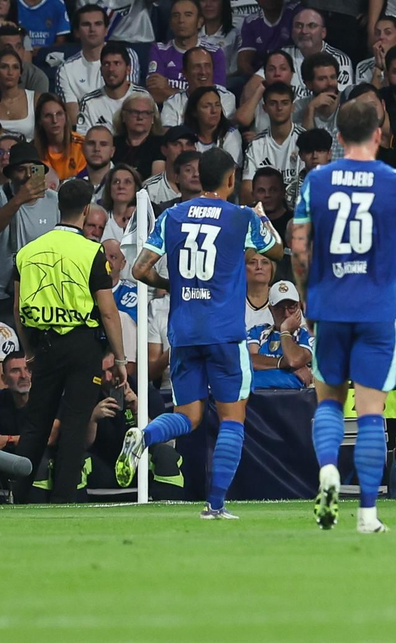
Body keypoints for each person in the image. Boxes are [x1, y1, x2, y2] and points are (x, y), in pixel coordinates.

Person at [292, 99, 396, 534]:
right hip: (377, 307)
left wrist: (306, 299)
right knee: (372, 411)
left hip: (330, 305)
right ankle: (368, 515)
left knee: (330, 403)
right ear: (378, 135)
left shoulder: (317, 181)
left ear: (337, 138)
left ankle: (329, 474)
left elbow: (298, 249)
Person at [119, 149, 282, 518]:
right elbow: (276, 250)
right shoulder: (240, 217)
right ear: (229, 180)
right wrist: (261, 216)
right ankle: (215, 506)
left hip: (184, 332)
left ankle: (144, 435)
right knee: (232, 418)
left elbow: (141, 270)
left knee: (188, 417)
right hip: (225, 333)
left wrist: (171, 285)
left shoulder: (172, 215)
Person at [10, 178, 125, 503]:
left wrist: (29, 349)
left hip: (44, 344)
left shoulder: (27, 252)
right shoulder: (92, 252)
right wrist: (118, 359)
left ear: (58, 206)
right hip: (82, 345)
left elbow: (18, 308)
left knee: (36, 423)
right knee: (75, 424)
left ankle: (19, 498)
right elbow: (107, 312)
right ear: (86, 209)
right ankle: (63, 501)